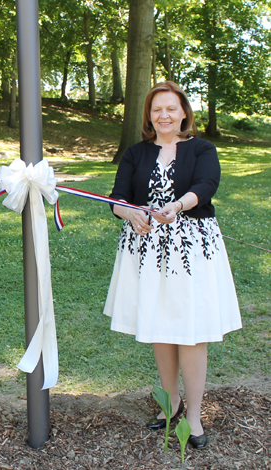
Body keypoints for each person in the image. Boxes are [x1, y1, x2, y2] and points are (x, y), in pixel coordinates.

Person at [103, 81, 242, 449]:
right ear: (149, 115)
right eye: (156, 110)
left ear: (183, 113)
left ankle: (194, 414)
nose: (163, 115)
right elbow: (116, 198)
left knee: (191, 329)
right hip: (146, 249)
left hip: (191, 249)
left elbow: (206, 185)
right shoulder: (136, 153)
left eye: (170, 108)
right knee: (161, 326)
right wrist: (129, 211)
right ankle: (171, 403)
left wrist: (177, 206)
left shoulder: (202, 148)